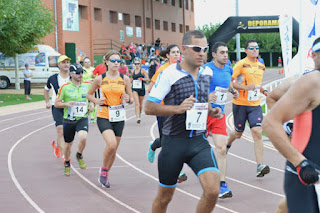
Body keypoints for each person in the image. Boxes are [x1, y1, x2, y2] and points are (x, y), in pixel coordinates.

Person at [145, 30, 222, 213]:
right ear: (184, 49)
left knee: (213, 191)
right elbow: (149, 107)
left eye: (204, 49)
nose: (201, 53)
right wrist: (177, 109)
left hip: (198, 141)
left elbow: (202, 99)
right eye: (197, 49)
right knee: (164, 198)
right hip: (173, 143)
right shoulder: (169, 74)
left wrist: (212, 110)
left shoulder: (207, 72)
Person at [263, 37, 320, 213]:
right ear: (314, 55)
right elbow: (270, 122)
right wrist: (301, 163)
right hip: (308, 175)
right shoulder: (311, 82)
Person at [86, 50, 134, 188]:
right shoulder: (99, 79)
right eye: (113, 60)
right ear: (106, 62)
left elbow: (131, 99)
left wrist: (128, 99)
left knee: (114, 149)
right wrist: (96, 100)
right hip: (104, 115)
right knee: (111, 144)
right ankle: (104, 170)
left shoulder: (124, 79)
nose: (116, 63)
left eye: (118, 61)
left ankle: (105, 172)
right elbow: (89, 95)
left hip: (118, 116)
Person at [226, 39, 270, 177]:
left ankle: (259, 166)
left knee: (257, 131)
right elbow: (230, 82)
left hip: (255, 105)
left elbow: (257, 85)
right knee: (238, 133)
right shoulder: (241, 64)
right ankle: (227, 144)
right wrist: (245, 88)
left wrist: (264, 91)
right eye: (251, 48)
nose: (255, 50)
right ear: (246, 50)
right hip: (240, 104)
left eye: (257, 47)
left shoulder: (261, 66)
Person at [146, 44, 187, 183]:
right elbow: (150, 89)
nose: (176, 55)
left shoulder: (183, 69)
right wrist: (164, 96)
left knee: (178, 139)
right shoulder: (162, 70)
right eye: (173, 52)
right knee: (168, 141)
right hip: (164, 110)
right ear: (167, 55)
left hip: (179, 110)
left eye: (178, 52)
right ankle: (177, 171)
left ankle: (155, 145)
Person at [205, 42, 239, 199]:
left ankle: (222, 185)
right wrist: (206, 97)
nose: (226, 55)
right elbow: (195, 88)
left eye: (227, 52)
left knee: (221, 148)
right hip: (202, 114)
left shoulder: (228, 69)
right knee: (186, 148)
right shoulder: (206, 69)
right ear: (214, 54)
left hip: (219, 114)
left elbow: (228, 83)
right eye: (222, 52)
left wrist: (233, 91)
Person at [55, 64, 93, 176]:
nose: (80, 75)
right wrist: (66, 104)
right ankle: (67, 163)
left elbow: (91, 97)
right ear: (71, 74)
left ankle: (79, 154)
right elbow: (57, 103)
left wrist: (91, 104)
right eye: (77, 73)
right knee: (68, 146)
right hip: (69, 120)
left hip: (82, 118)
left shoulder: (87, 85)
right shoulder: (65, 87)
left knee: (83, 137)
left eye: (81, 72)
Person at [44, 55, 71, 161]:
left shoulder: (73, 77)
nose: (66, 64)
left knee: (68, 133)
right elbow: (46, 90)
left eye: (68, 62)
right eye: (64, 62)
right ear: (59, 65)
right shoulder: (52, 78)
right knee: (60, 131)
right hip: (57, 106)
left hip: (69, 107)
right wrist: (47, 101)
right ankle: (64, 155)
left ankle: (57, 145)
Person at [131, 57, 149, 124]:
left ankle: (140, 114)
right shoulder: (132, 71)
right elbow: (131, 79)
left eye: (138, 64)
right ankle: (137, 117)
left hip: (141, 88)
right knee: (136, 103)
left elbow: (147, 79)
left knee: (140, 104)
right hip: (134, 88)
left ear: (140, 64)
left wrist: (142, 79)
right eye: (135, 64)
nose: (136, 65)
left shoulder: (143, 71)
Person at [82, 57, 96, 123]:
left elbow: (97, 78)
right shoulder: (81, 70)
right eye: (86, 62)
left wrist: (92, 80)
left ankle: (93, 117)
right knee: (86, 103)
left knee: (94, 102)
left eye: (89, 62)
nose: (87, 63)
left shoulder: (93, 70)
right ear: (83, 63)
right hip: (84, 89)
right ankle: (86, 116)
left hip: (93, 88)